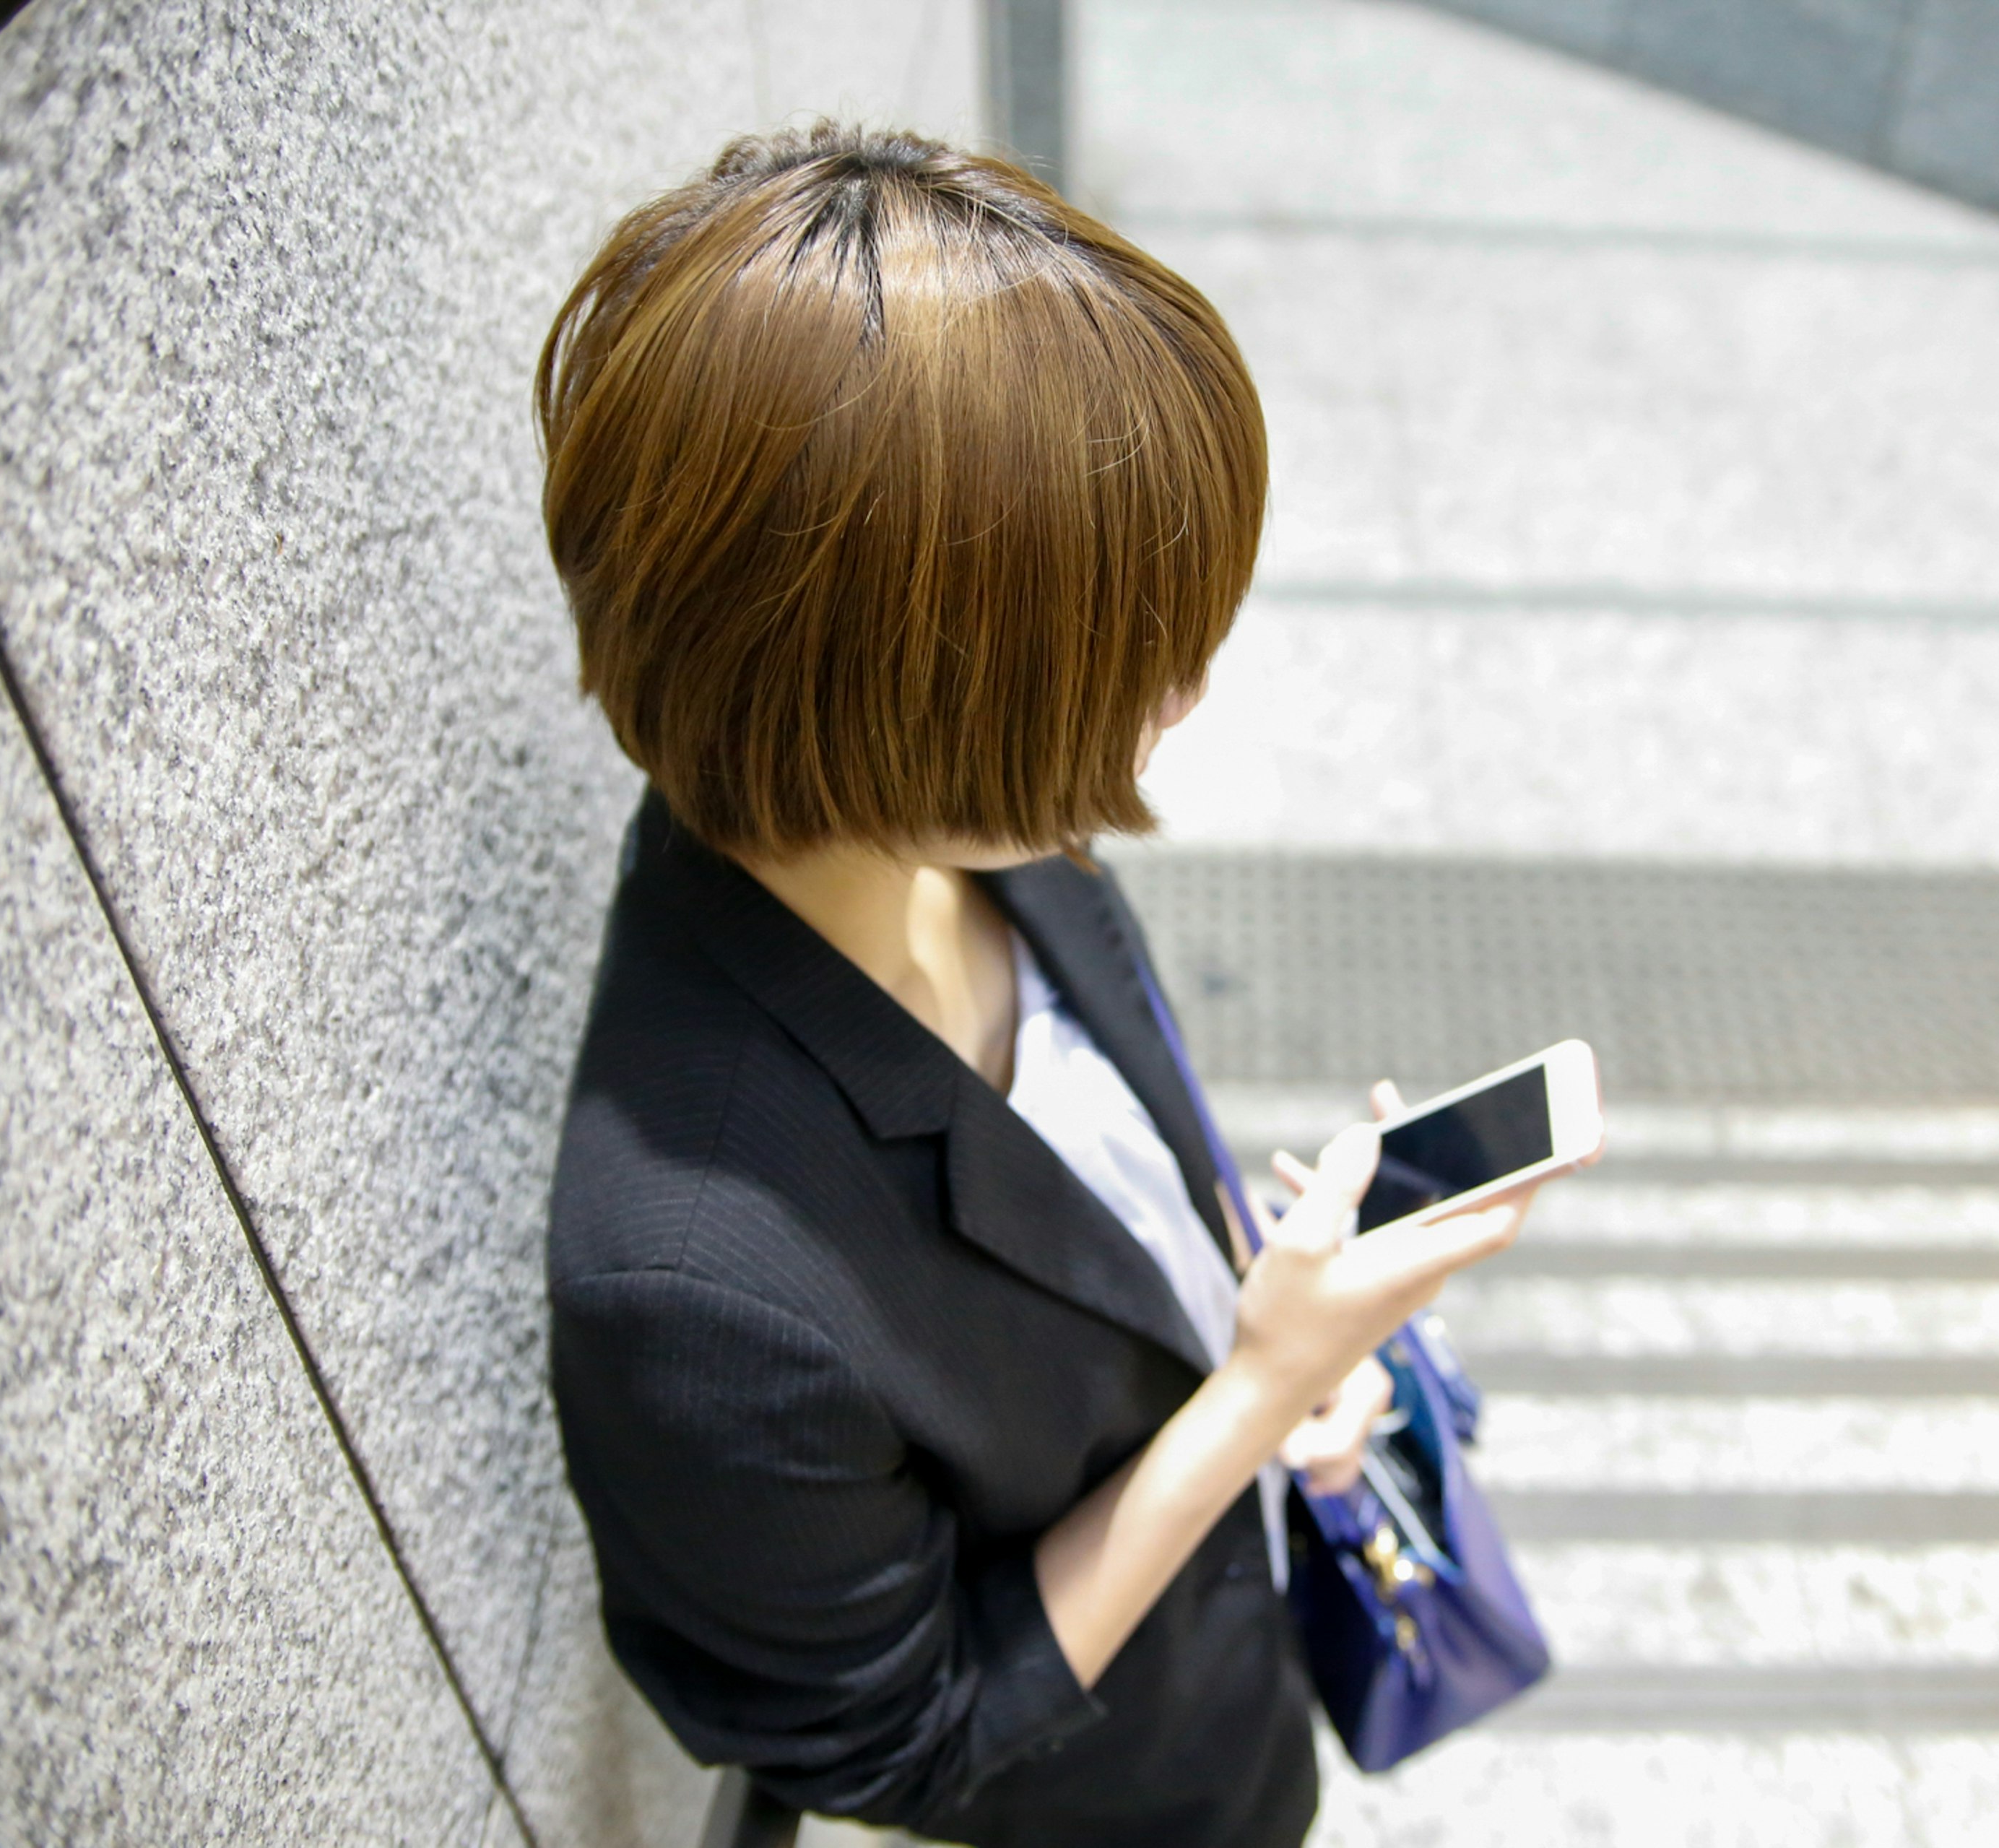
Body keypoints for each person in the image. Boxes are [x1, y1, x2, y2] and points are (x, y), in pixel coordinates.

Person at [537, 124, 1568, 1847]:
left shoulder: (957, 829)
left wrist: (1266, 1296)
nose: (1184, 683)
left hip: (1237, 1657)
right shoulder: (700, 1284)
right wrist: (1252, 1389)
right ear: (899, 694)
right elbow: (900, 1736)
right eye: (1120, 651)